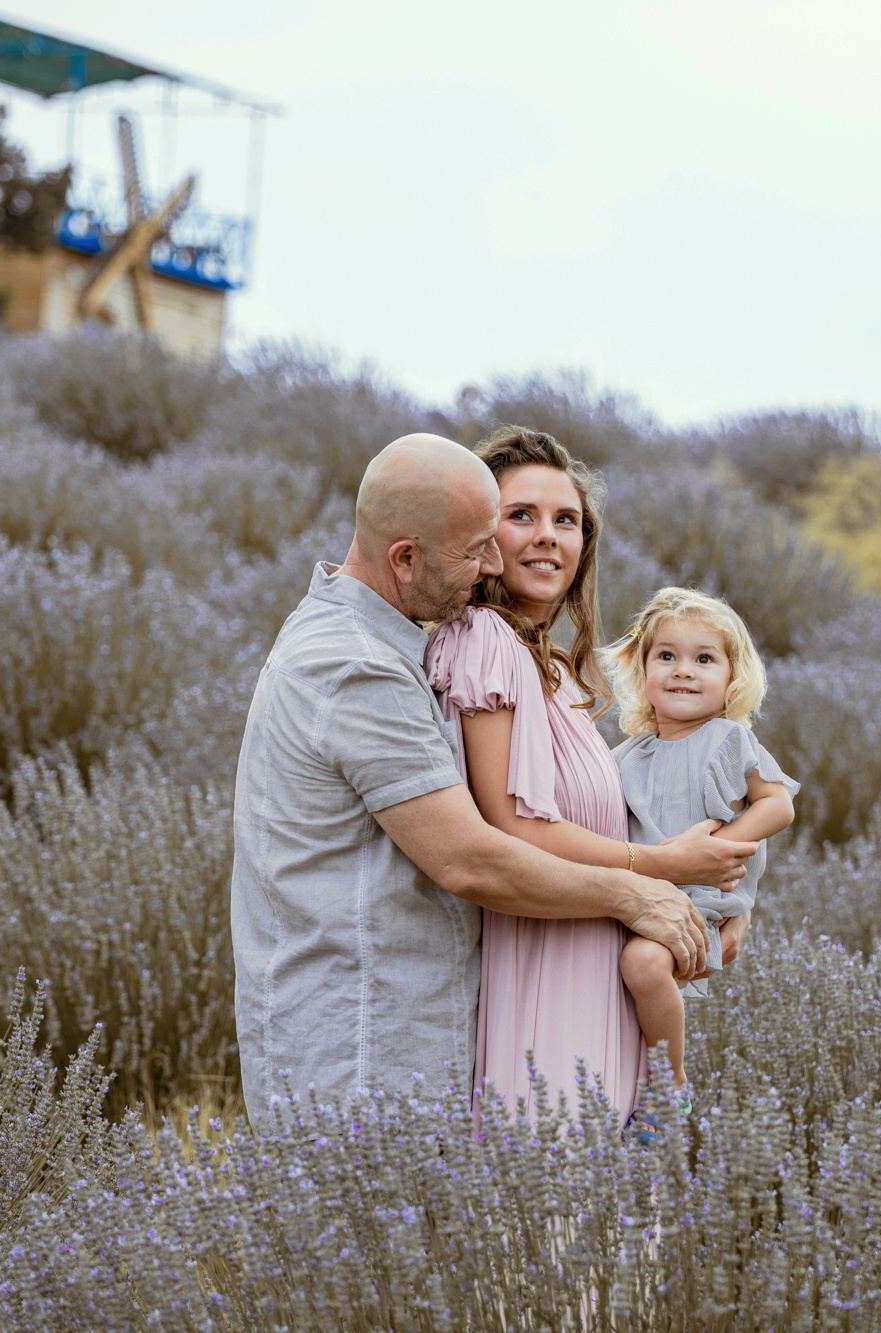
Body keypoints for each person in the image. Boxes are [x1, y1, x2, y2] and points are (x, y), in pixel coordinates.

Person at [230, 433, 711, 1133]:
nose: (492, 564)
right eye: (476, 548)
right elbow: (470, 857)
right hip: (358, 1057)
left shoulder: (394, 648)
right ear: (405, 558)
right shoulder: (354, 666)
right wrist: (640, 889)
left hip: (403, 1045)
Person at [425, 430, 757, 1121]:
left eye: (565, 520)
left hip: (601, 967)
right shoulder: (486, 642)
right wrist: (662, 864)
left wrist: (717, 895)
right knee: (560, 1200)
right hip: (549, 971)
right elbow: (516, 829)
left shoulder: (554, 674)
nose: (547, 536)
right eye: (522, 516)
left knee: (608, 1213)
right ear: (482, 538)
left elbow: (616, 819)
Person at [605, 587, 799, 1088]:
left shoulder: (727, 740)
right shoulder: (630, 755)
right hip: (641, 891)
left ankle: (670, 1084)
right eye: (666, 656)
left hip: (701, 898)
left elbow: (777, 804)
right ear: (642, 672)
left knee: (644, 963)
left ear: (732, 680)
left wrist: (723, 848)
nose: (683, 670)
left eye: (704, 659)